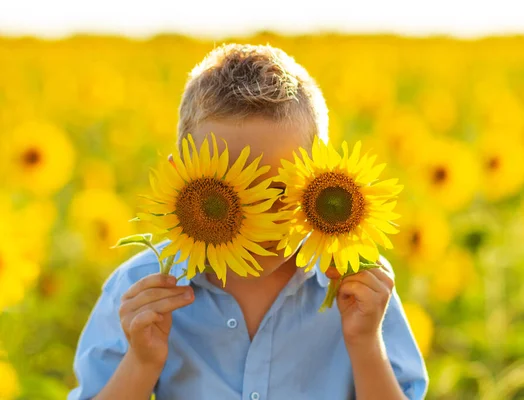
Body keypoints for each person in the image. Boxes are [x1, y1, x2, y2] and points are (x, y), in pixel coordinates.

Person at [68, 43, 428, 400]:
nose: (262, 224)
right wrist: (141, 364)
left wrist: (366, 344)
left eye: (279, 192)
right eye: (228, 196)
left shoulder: (359, 286)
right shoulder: (140, 288)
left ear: (321, 178)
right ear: (183, 178)